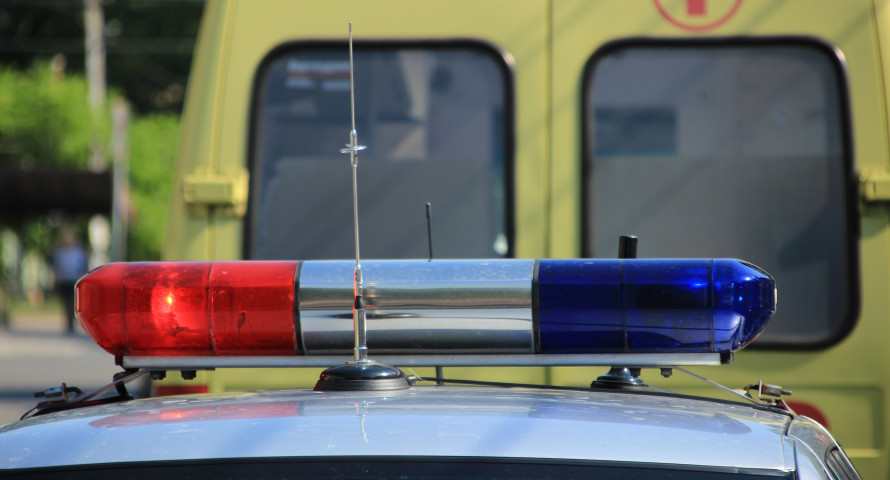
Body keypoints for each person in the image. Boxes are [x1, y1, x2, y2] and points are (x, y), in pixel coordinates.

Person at [53, 228, 88, 335]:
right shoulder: (59, 252)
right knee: (65, 302)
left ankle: (71, 322)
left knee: (73, 302)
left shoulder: (79, 251)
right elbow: (56, 266)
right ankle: (68, 323)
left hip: (75, 279)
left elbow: (83, 265)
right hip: (63, 280)